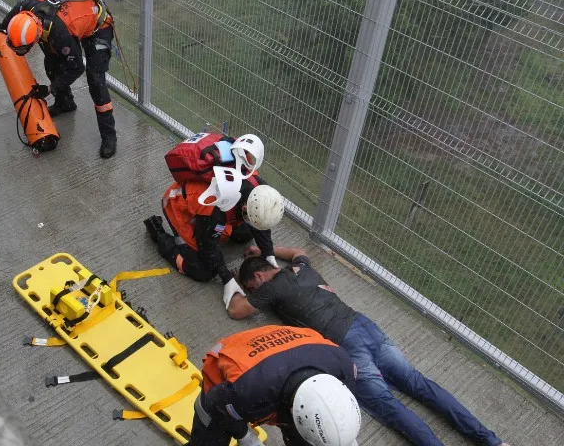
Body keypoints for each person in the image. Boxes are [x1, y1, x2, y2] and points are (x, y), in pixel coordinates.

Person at [228, 246, 510, 446]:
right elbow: (297, 249)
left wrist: (231, 283)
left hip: (345, 345)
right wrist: (264, 251)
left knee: (390, 407)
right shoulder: (302, 267)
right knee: (418, 383)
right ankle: (492, 441)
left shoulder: (271, 288)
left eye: (253, 287)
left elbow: (237, 310)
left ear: (260, 278)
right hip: (366, 327)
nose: (256, 294)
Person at [188, 324, 360, 446]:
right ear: (292, 411)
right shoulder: (247, 392)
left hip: (287, 359)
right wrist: (244, 436)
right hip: (229, 378)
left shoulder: (344, 369)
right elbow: (216, 402)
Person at [0, 0, 118, 158]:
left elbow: (76, 67)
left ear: (36, 36)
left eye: (23, 48)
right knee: (51, 62)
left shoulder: (60, 34)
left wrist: (51, 88)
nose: (19, 52)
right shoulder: (26, 9)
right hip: (72, 20)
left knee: (96, 80)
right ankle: (65, 104)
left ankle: (109, 136)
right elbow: (14, 12)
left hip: (98, 25)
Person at [143, 173, 284, 295]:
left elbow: (260, 224)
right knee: (204, 271)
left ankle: (209, 228)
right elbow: (207, 247)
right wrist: (226, 278)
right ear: (245, 208)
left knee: (245, 234)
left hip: (211, 214)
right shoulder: (215, 210)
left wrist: (268, 252)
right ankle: (160, 236)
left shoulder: (261, 193)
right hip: (178, 207)